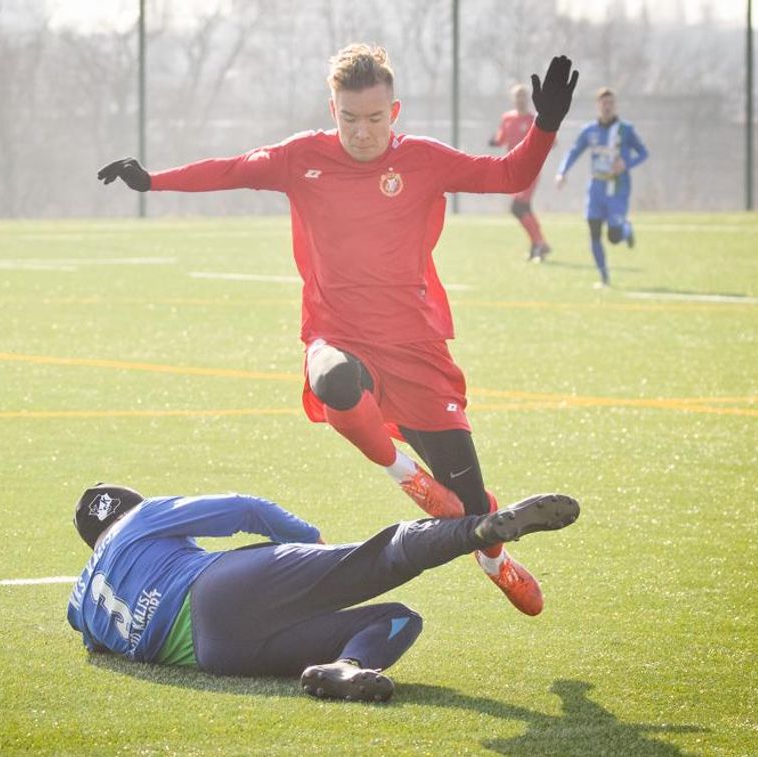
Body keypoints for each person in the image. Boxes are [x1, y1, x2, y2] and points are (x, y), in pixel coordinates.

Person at [98, 45, 579, 616]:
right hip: (337, 335)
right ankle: (405, 476)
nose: (362, 131)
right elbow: (230, 169)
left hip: (416, 349)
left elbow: (509, 174)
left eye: (375, 118)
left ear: (394, 113)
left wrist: (545, 125)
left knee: (472, 512)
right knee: (331, 380)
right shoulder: (301, 157)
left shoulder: (423, 159)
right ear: (333, 110)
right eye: (349, 118)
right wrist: (152, 180)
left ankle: (498, 564)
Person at [67, 483, 580, 702]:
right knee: (376, 560)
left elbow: (97, 645)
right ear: (128, 509)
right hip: (219, 589)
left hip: (216, 655)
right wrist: (313, 545)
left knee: (394, 618)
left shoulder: (79, 599)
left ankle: (347, 669)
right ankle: (483, 529)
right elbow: (245, 508)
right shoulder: (139, 519)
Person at [555, 87, 648, 287]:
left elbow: (643, 153)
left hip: (617, 189)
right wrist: (562, 172)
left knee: (613, 237)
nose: (607, 107)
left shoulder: (626, 130)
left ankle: (625, 228)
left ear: (615, 105)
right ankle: (604, 277)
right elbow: (574, 152)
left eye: (611, 103)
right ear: (598, 106)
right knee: (594, 231)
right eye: (604, 103)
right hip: (596, 188)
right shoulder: (589, 131)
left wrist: (626, 163)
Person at [489, 83, 549, 261]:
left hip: (530, 169)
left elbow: (550, 141)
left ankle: (539, 243)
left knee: (518, 207)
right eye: (517, 96)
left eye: (523, 95)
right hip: (512, 168)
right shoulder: (507, 118)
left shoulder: (534, 120)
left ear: (528, 98)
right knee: (525, 208)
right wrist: (493, 141)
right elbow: (501, 139)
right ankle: (539, 244)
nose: (520, 99)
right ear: (513, 99)